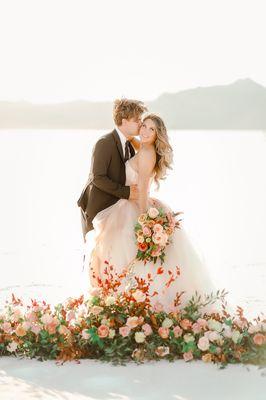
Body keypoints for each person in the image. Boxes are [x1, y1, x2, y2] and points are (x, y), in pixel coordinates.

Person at [87, 112, 221, 313]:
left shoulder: (147, 153)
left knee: (127, 257)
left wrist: (142, 220)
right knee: (119, 255)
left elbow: (142, 189)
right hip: (127, 203)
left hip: (135, 205)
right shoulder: (139, 146)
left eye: (152, 129)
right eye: (144, 126)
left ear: (158, 135)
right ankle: (122, 302)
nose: (146, 131)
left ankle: (132, 305)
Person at [77, 98, 147, 274]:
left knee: (112, 258)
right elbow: (97, 178)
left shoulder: (130, 145)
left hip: (114, 208)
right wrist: (127, 192)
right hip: (96, 207)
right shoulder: (105, 142)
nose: (140, 123)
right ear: (124, 121)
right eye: (136, 120)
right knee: (94, 257)